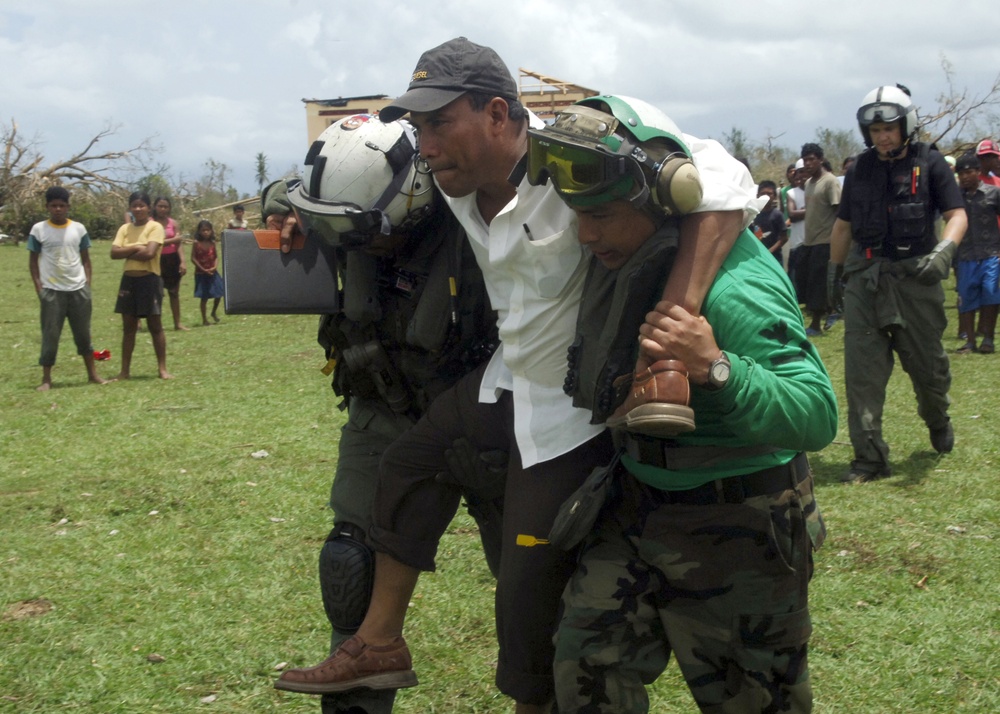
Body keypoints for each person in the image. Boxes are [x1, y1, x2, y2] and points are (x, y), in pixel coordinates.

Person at [274, 39, 762, 714]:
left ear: (499, 114)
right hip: (508, 382)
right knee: (408, 463)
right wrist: (292, 211)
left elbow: (724, 181)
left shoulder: (579, 159)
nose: (426, 143)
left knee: (526, 608)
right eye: (418, 127)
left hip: (573, 413)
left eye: (439, 123)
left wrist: (670, 336)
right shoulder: (452, 181)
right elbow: (368, 194)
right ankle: (380, 642)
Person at [529, 97, 837, 714]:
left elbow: (816, 412)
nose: (588, 235)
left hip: (739, 529)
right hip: (636, 510)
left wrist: (716, 367)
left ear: (659, 202)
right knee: (585, 672)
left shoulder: (735, 287)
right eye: (579, 215)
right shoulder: (631, 258)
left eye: (607, 216)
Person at [269, 115, 503, 714]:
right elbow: (288, 193)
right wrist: (286, 212)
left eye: (352, 227)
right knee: (351, 566)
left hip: (489, 423)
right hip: (385, 406)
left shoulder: (483, 212)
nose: (343, 240)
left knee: (534, 584)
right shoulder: (348, 203)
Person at [828, 84, 967, 483]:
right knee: (863, 374)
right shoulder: (858, 170)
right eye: (874, 131)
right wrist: (833, 276)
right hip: (866, 281)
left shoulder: (933, 164)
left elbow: (956, 214)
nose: (882, 136)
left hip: (916, 279)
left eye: (889, 127)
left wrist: (944, 250)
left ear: (906, 124)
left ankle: (937, 418)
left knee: (928, 370)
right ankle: (869, 458)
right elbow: (843, 226)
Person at [27, 186, 107, 391]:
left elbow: (86, 260)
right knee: (50, 335)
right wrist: (40, 290)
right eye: (53, 205)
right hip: (52, 291)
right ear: (47, 207)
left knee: (83, 334)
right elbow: (33, 262)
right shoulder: (38, 230)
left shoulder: (78, 229)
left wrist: (87, 285)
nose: (58, 209)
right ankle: (46, 379)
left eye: (62, 205)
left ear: (68, 206)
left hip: (78, 289)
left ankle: (92, 375)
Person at [110, 191, 172, 380]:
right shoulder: (124, 229)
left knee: (155, 326)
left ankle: (162, 369)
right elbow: (113, 253)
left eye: (141, 205)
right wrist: (138, 247)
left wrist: (127, 251)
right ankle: (124, 371)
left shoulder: (155, 227)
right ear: (130, 207)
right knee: (129, 328)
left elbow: (150, 253)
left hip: (149, 280)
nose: (138, 209)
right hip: (129, 280)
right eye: (134, 205)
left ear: (148, 207)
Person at [954, 152, 1000, 354]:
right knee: (966, 297)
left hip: (991, 253)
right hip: (965, 255)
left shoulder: (993, 193)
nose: (965, 177)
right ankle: (970, 342)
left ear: (978, 172)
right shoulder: (954, 198)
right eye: (961, 173)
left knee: (991, 294)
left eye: (969, 172)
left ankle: (988, 339)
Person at [800, 142, 842, 335]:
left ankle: (816, 324)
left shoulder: (830, 181)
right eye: (805, 160)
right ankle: (832, 311)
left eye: (812, 159)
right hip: (809, 241)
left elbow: (838, 211)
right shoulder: (808, 184)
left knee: (819, 283)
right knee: (810, 282)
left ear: (821, 160)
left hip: (825, 241)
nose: (808, 164)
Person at [153, 197, 188, 331]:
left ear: (169, 208)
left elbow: (179, 243)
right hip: (156, 260)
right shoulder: (150, 223)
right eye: (160, 206)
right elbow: (155, 243)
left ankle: (177, 323)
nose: (163, 209)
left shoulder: (173, 223)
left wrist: (183, 261)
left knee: (174, 292)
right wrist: (173, 239)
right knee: (158, 293)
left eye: (165, 206)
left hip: (172, 260)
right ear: (155, 207)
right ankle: (157, 324)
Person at [190, 220, 224, 325]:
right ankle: (204, 319)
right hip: (201, 273)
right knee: (204, 297)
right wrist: (203, 269)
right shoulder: (196, 243)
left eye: (208, 230)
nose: (206, 232)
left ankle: (213, 312)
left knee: (219, 292)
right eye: (203, 230)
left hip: (213, 272)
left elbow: (216, 257)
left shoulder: (212, 243)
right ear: (199, 231)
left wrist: (214, 266)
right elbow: (193, 258)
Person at [749, 179, 788, 263]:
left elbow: (784, 238)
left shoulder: (777, 215)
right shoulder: (753, 215)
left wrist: (769, 252)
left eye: (769, 194)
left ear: (775, 196)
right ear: (757, 195)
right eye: (763, 194)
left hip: (774, 257)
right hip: (756, 257)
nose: (766, 196)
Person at [786, 158, 807, 289]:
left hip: (815, 243)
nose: (803, 175)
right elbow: (792, 214)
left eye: (805, 171)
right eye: (800, 172)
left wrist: (802, 212)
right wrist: (813, 210)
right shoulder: (792, 193)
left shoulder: (816, 189)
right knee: (796, 280)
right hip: (798, 243)